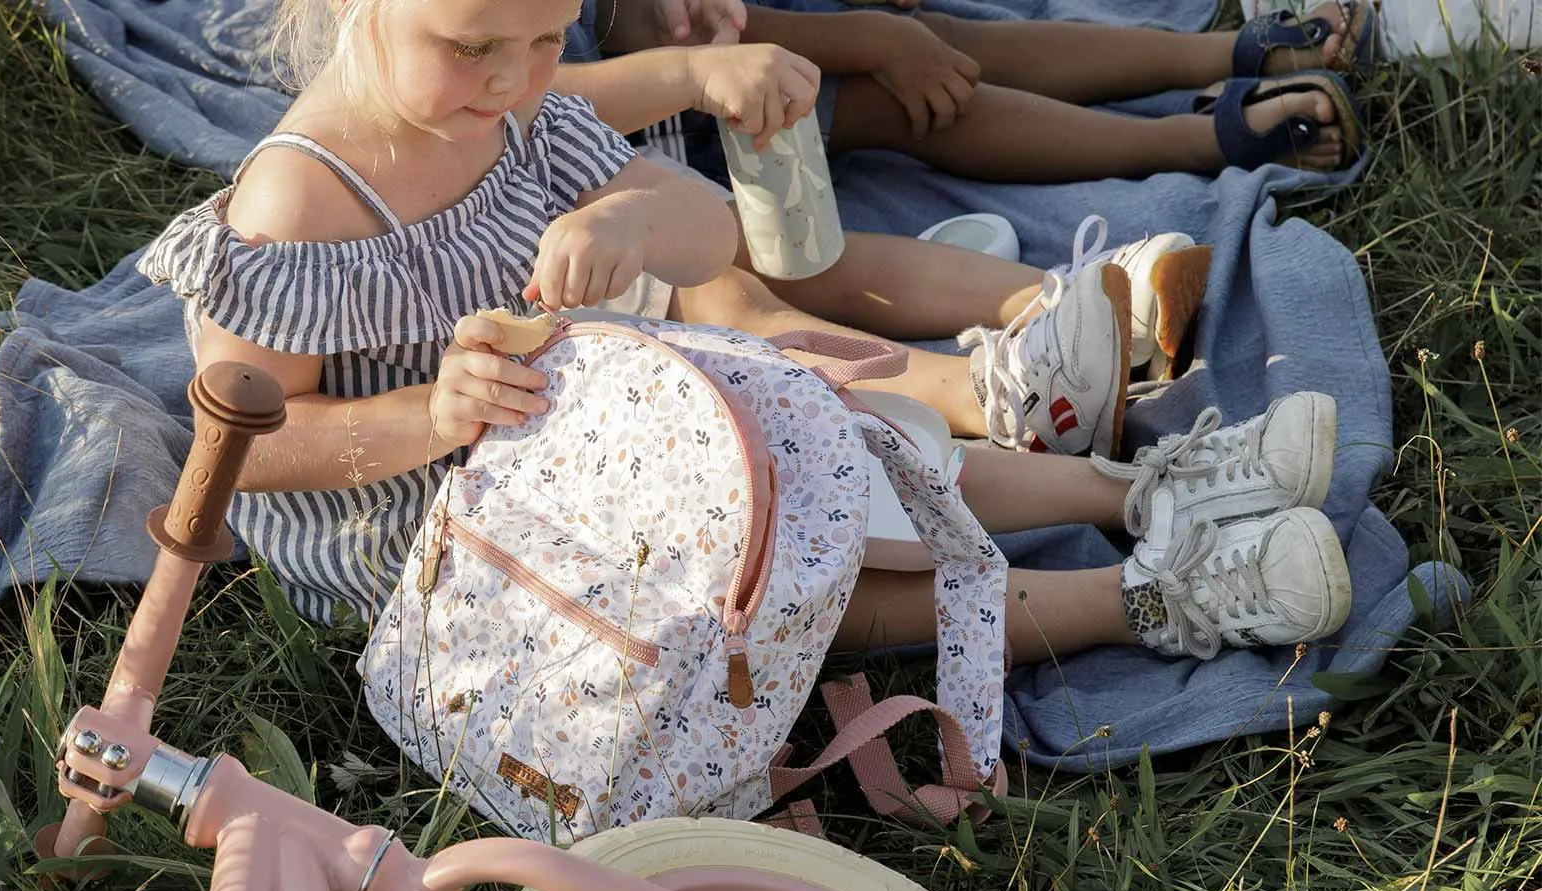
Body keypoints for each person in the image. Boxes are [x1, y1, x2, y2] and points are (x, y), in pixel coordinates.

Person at [142, 0, 1351, 679]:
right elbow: (244, 446)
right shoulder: (296, 205)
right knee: (759, 557)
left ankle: (1128, 488)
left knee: (788, 411)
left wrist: (625, 214)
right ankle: (1138, 597)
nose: (515, 79)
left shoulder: (505, 104)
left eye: (551, 39)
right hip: (437, 533)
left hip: (576, 433)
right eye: (476, 46)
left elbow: (711, 232)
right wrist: (431, 415)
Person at [581, 0, 1366, 183]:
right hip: (644, 116)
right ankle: (1193, 141)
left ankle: (1213, 55)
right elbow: (652, 39)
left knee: (941, 39)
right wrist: (873, 39)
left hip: (703, 25)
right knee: (903, 98)